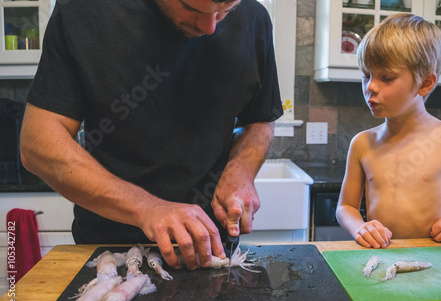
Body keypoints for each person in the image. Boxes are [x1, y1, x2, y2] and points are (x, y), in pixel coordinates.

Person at [19, 0, 282, 270]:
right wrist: (147, 208)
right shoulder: (83, 11)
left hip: (212, 250)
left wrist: (242, 170)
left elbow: (260, 119)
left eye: (225, 11)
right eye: (193, 9)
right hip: (111, 252)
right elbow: (38, 144)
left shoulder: (254, 18)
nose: (210, 27)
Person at [336, 13, 441, 249]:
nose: (370, 86)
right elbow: (345, 207)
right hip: (380, 257)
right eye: (366, 75)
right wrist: (360, 227)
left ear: (425, 84)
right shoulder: (362, 143)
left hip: (433, 260)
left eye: (386, 77)